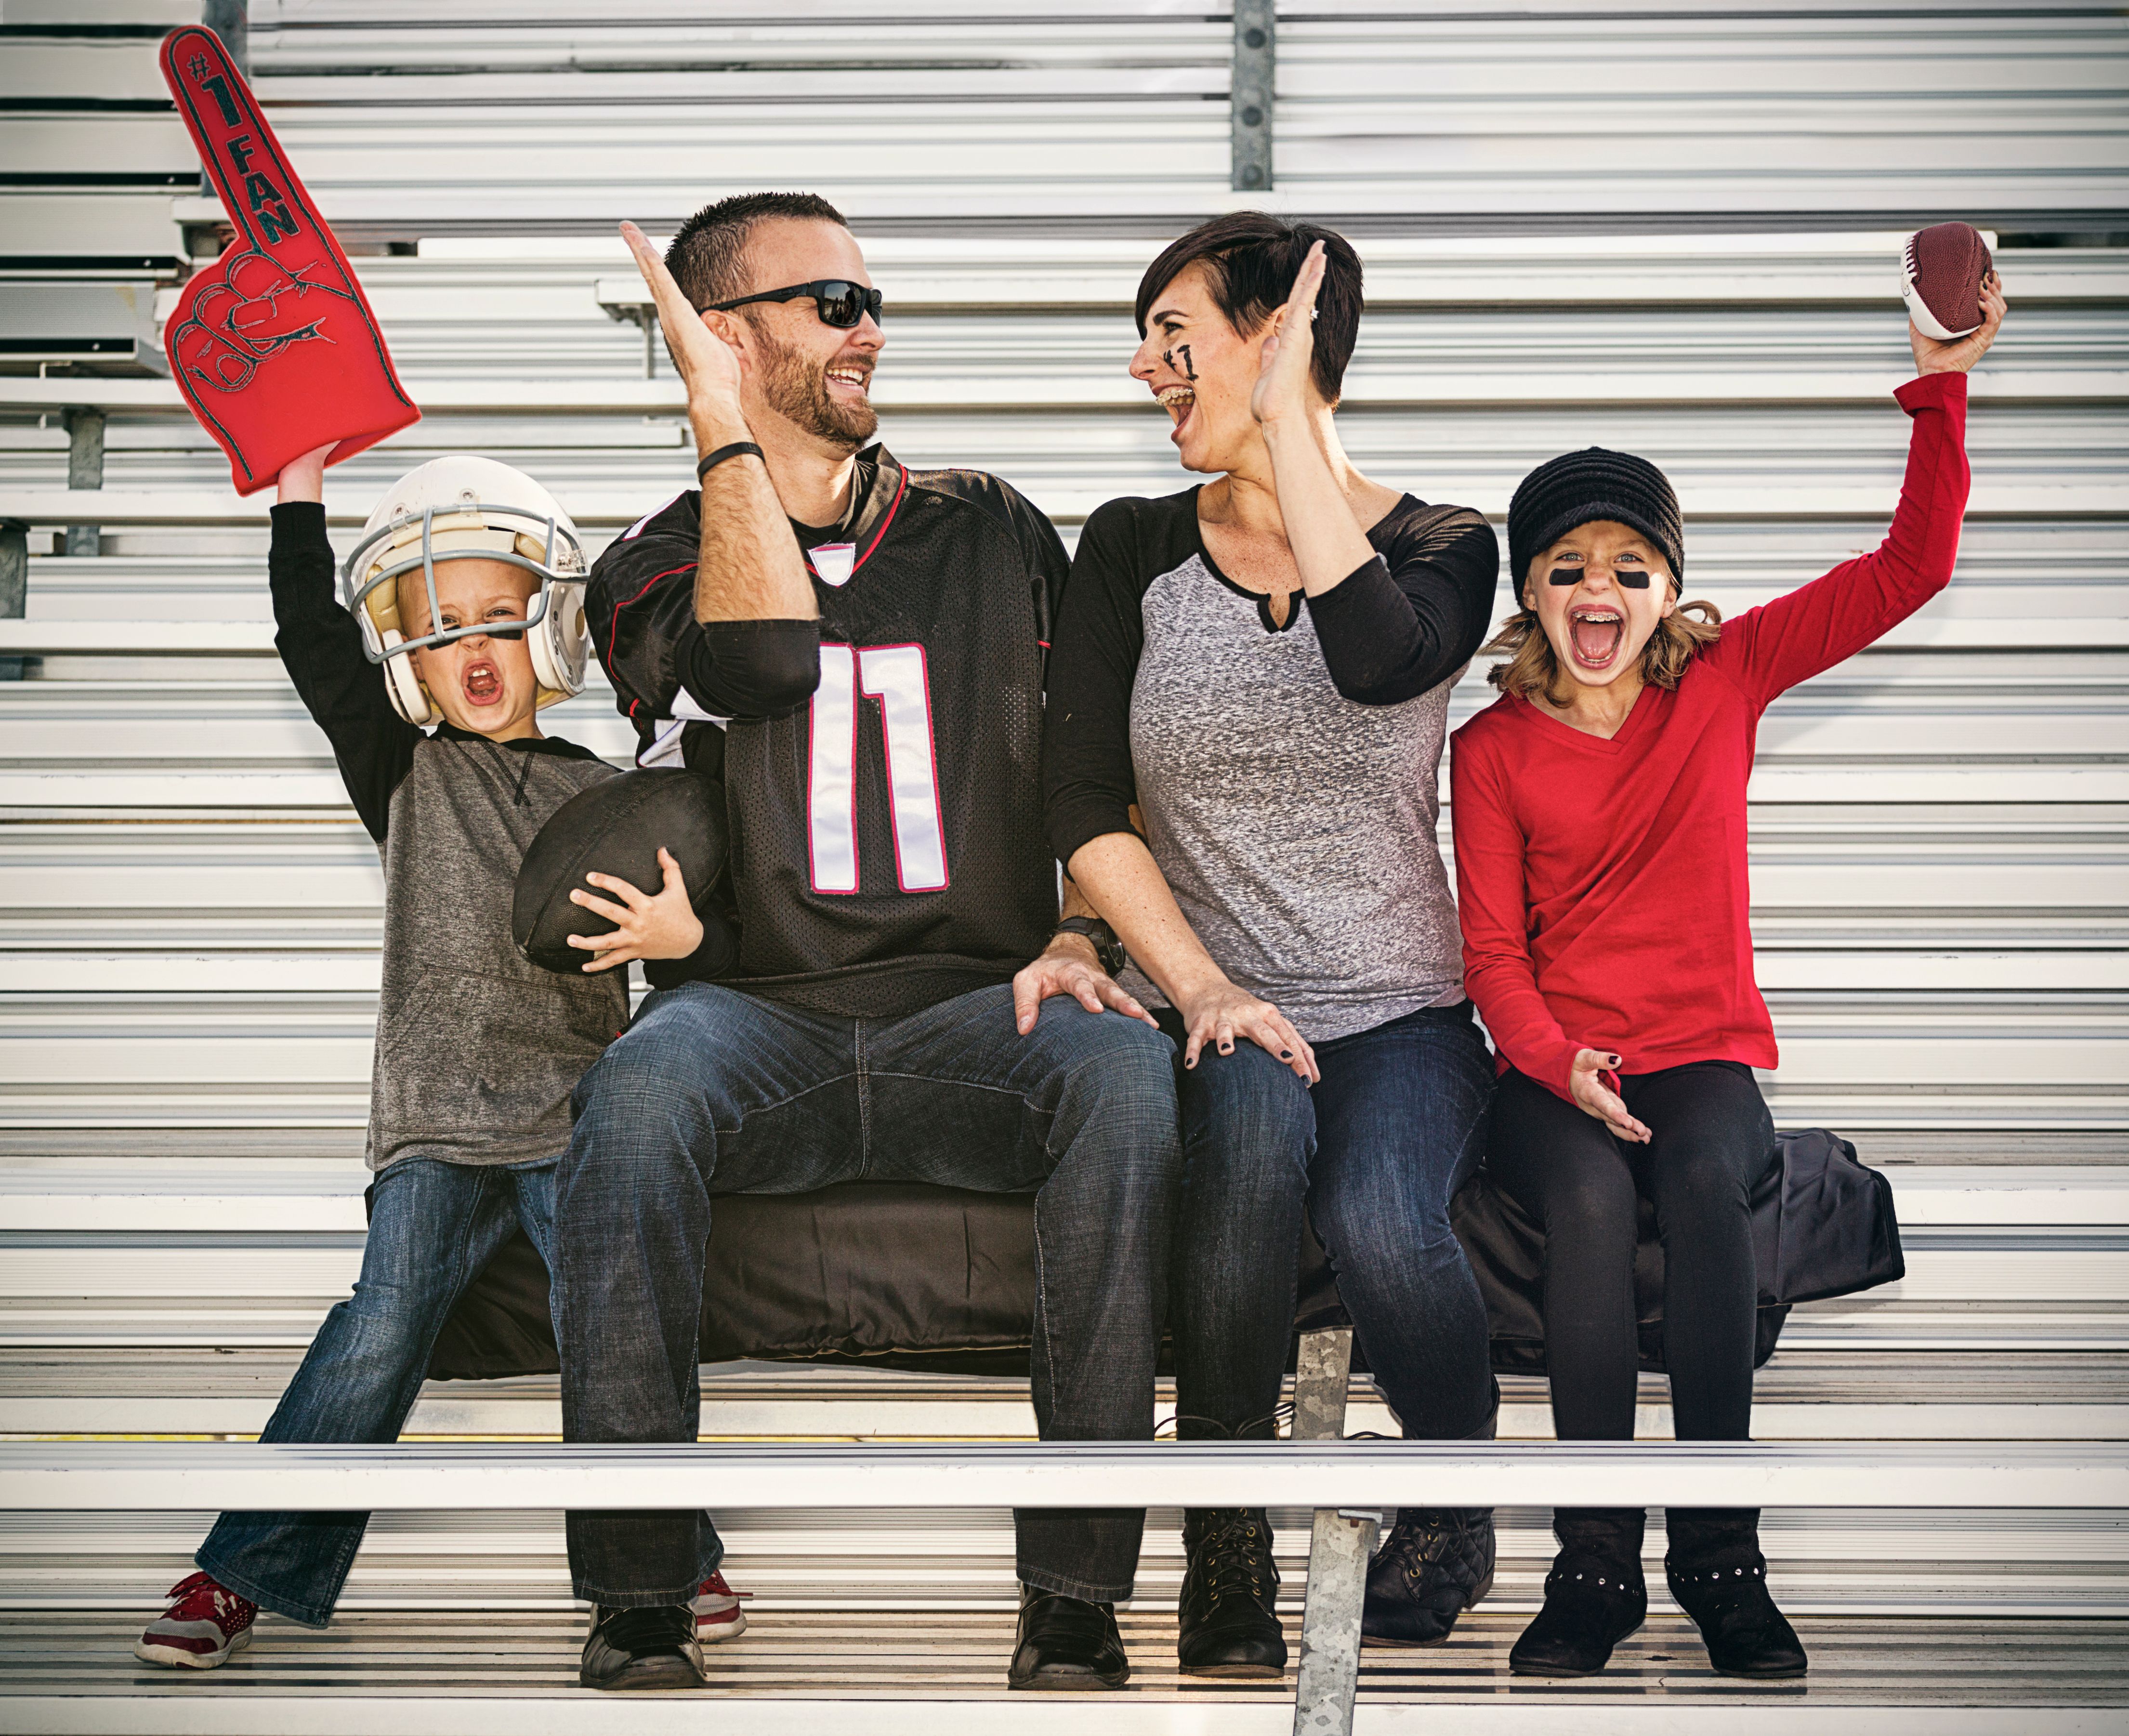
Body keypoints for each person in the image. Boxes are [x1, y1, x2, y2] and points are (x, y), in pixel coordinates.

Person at [561, 192, 1182, 1694]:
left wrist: (1079, 928)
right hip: (754, 1012)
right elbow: (766, 657)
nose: (870, 330)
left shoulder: (991, 526)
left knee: (1118, 1070)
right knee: (634, 1097)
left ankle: (1075, 1591)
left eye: (873, 299)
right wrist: (723, 430)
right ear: (723, 335)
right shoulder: (648, 564)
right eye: (830, 302)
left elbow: (1099, 762)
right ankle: (641, 1590)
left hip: (972, 1008)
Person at [1451, 274, 2006, 1681]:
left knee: (1707, 1181)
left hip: (1696, 1051)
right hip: (1548, 1063)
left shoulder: (1728, 677)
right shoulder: (1490, 747)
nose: (1598, 589)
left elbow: (1909, 568)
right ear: (1529, 591)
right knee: (1584, 1199)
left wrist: (1940, 380)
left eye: (1628, 565)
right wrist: (1553, 1058)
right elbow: (1491, 953)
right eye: (1566, 565)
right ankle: (1591, 1565)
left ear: (1667, 590)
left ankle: (1717, 1557)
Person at [133, 445, 737, 1668]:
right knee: (381, 1322)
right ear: (406, 653)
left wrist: (683, 941)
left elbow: (695, 946)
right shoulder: (403, 768)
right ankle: (238, 1573)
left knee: (617, 1329)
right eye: (440, 628)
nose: (473, 649)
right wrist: (298, 490)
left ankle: (665, 1557)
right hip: (440, 1122)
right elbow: (312, 640)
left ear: (547, 632)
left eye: (499, 620)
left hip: (577, 1120)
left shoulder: (612, 793)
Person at [1043, 211, 1504, 1673]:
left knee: (1378, 1219)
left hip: (1399, 1010)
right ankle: (1226, 1541)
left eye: (1173, 336)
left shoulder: (1445, 545)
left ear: (1275, 339)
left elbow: (1373, 661)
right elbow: (1076, 799)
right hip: (1213, 997)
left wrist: (1287, 421)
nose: (1143, 368)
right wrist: (1201, 986)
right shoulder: (1129, 546)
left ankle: (1455, 1499)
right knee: (1245, 1152)